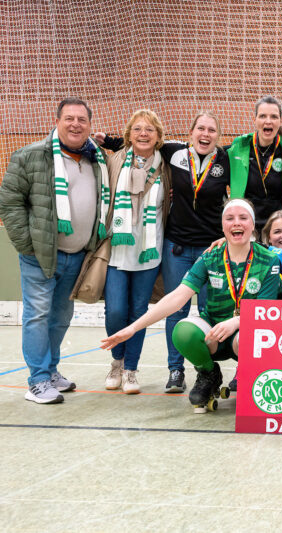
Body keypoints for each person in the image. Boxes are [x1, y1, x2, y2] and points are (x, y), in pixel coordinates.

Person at [101, 199, 280, 412]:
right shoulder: (210, 256)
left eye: (243, 218)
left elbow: (263, 310)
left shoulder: (268, 259)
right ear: (222, 225)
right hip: (214, 331)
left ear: (253, 224)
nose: (236, 223)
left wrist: (235, 322)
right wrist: (133, 328)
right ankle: (208, 373)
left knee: (251, 337)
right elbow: (177, 297)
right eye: (229, 218)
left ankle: (251, 374)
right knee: (183, 331)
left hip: (244, 333)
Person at [99, 111, 230, 393]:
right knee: (176, 310)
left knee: (208, 312)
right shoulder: (173, 152)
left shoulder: (226, 159)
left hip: (211, 250)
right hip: (176, 246)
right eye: (200, 129)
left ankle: (206, 371)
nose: (205, 134)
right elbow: (141, 144)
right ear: (190, 133)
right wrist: (107, 140)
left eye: (211, 130)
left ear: (218, 136)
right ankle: (175, 371)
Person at [0, 98, 108, 403]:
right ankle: (37, 380)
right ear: (57, 121)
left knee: (60, 317)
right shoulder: (31, 155)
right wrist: (28, 244)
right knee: (37, 315)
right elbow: (8, 202)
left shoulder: (95, 158)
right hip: (40, 256)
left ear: (90, 125)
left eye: (82, 120)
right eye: (69, 118)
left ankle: (51, 371)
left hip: (78, 256)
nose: (75, 124)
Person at [102, 109, 171, 394]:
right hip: (117, 249)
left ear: (158, 136)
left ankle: (130, 369)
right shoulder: (113, 161)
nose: (144, 134)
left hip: (149, 250)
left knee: (139, 312)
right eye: (138, 129)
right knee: (115, 310)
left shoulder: (167, 166)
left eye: (150, 129)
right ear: (129, 135)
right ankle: (117, 361)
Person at [225, 96, 282, 230]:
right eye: (262, 116)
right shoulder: (239, 146)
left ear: (281, 121)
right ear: (255, 120)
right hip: (247, 226)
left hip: (279, 227)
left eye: (274, 117)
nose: (268, 121)